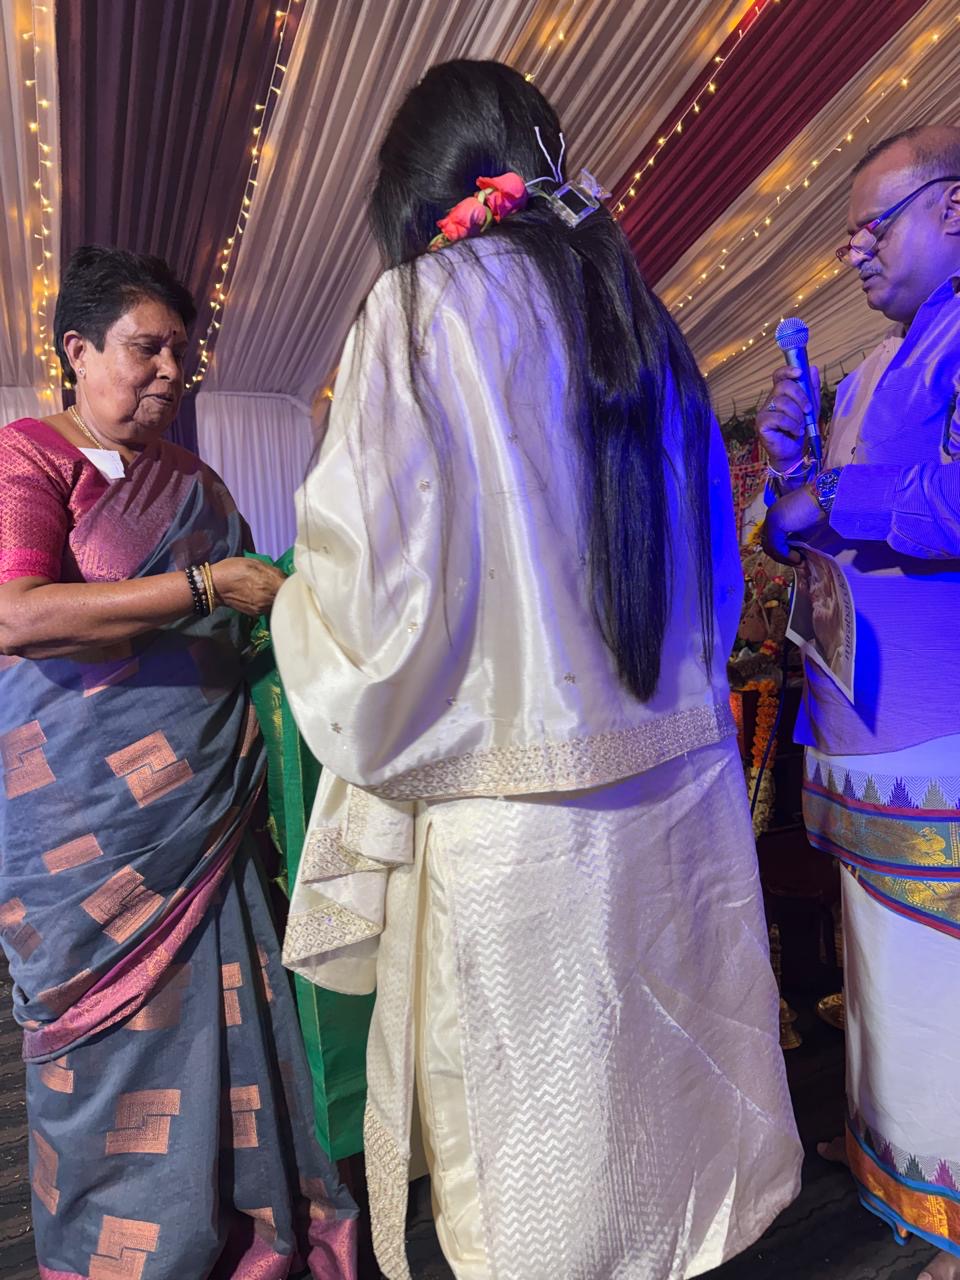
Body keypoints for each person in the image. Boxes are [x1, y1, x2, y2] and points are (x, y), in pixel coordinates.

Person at [272, 60, 802, 1280]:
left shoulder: (413, 312)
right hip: (677, 804)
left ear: (417, 192)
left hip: (519, 834)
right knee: (671, 1139)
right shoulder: (640, 313)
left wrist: (293, 602)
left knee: (543, 1180)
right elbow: (714, 577)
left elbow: (373, 604)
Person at [0, 246, 356, 1279]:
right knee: (103, 1059)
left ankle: (250, 1236)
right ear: (77, 350)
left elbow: (256, 620)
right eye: (144, 348)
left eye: (179, 353)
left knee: (229, 1027)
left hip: (203, 817)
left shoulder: (195, 484)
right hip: (83, 835)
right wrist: (202, 586)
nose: (168, 370)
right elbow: (16, 614)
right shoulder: (31, 458)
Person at [761, 126, 960, 1280]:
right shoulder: (881, 361)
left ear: (954, 209)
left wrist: (827, 489)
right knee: (884, 985)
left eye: (872, 227)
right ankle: (904, 1182)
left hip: (937, 734)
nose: (853, 252)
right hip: (860, 728)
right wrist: (790, 476)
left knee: (938, 990)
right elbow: (816, 537)